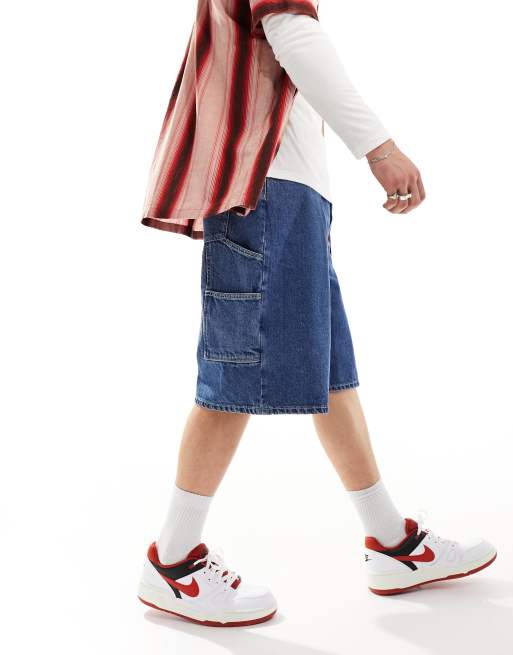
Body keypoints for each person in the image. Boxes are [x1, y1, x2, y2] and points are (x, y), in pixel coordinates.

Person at [137, 1, 496, 627]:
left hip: (287, 189)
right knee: (233, 374)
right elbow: (295, 35)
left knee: (331, 375)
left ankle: (392, 544)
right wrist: (379, 147)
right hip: (265, 186)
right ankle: (172, 561)